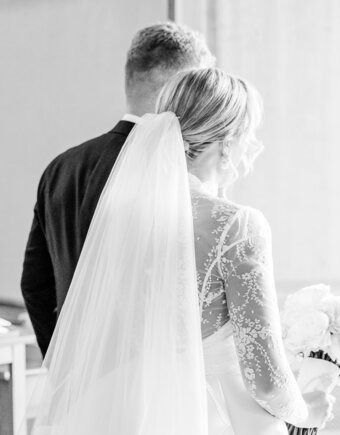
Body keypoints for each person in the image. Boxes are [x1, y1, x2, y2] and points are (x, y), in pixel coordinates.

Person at [0, 68, 334, 435]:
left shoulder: (123, 219)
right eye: (251, 133)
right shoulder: (237, 224)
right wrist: (308, 407)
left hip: (137, 421)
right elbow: (265, 377)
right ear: (225, 140)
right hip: (230, 433)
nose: (254, 147)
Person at [20, 22, 215, 358]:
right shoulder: (174, 168)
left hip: (78, 384)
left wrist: (64, 368)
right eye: (198, 86)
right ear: (178, 87)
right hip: (149, 378)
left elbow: (35, 285)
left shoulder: (61, 167)